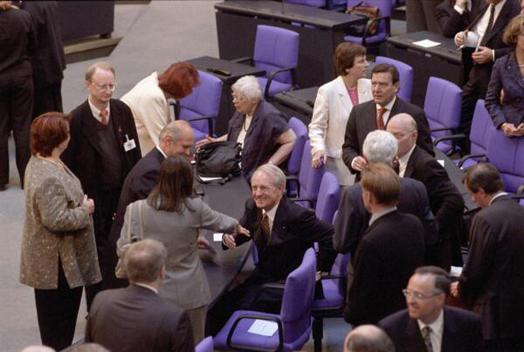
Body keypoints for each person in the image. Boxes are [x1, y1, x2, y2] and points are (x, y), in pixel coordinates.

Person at [117, 156, 248, 344]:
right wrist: (236, 226)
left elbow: (122, 248)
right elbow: (220, 221)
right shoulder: (195, 208)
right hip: (192, 294)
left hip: (153, 295)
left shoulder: (136, 210)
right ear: (188, 179)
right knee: (195, 344)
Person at [208, 163, 336, 333]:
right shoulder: (253, 206)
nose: (257, 193)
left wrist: (320, 270)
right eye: (254, 187)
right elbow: (241, 234)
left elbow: (331, 235)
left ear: (280, 189)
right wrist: (223, 238)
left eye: (263, 188)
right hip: (264, 277)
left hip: (286, 287)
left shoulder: (297, 216)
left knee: (227, 313)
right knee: (217, 308)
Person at [62, 61, 142, 309]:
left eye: (111, 85)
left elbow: (134, 151)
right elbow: (68, 168)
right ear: (88, 86)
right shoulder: (75, 120)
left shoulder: (122, 111)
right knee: (96, 259)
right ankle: (95, 309)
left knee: (125, 251)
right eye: (102, 86)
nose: (108, 91)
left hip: (122, 197)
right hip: (94, 202)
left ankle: (122, 303)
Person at [20, 113, 101, 351]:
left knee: (58, 328)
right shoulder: (48, 176)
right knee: (58, 332)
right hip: (57, 268)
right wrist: (85, 210)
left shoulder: (43, 161)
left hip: (58, 262)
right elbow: (56, 220)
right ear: (59, 139)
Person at [106, 120, 194, 289]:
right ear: (168, 142)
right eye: (185, 147)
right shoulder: (151, 172)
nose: (189, 153)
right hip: (134, 255)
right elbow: (157, 218)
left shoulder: (160, 164)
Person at [450, 163, 524, 351]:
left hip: (493, 317)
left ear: (481, 191)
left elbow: (475, 268)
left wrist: (461, 288)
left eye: (473, 195)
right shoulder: (520, 211)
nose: (473, 200)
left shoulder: (484, 219)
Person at [334, 130, 437, 260]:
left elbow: (341, 244)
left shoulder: (352, 194)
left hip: (366, 272)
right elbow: (430, 235)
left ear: (365, 158)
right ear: (395, 158)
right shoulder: (417, 188)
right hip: (409, 270)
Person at [344, 162, 425, 325]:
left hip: (378, 324)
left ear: (368, 197)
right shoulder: (414, 223)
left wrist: (349, 315)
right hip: (408, 316)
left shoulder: (371, 241)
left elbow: (362, 297)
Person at [387, 113, 465, 270]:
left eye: (398, 136)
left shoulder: (426, 165)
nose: (392, 141)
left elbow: (455, 200)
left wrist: (432, 230)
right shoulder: (395, 160)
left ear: (413, 136)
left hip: (429, 251)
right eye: (389, 135)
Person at [86, 239, 194, 352]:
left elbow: (88, 348)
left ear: (127, 270)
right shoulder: (174, 316)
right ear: (162, 272)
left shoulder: (101, 301)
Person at [197, 75, 296, 180]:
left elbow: (291, 141)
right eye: (234, 96)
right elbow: (239, 133)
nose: (234, 101)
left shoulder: (269, 116)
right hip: (233, 160)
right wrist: (216, 141)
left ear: (252, 100)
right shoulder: (243, 110)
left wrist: (269, 165)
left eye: (238, 98)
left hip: (248, 172)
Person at [342, 63, 433, 175]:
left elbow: (427, 154)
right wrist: (354, 160)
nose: (376, 89)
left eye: (383, 85)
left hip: (400, 184)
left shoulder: (414, 114)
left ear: (396, 86)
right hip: (366, 183)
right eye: (374, 83)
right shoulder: (358, 112)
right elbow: (348, 148)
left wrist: (402, 163)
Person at [453, 0, 520, 143]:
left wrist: (493, 54)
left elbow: (519, 48)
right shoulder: (483, 5)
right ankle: (464, 153)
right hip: (473, 70)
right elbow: (476, 31)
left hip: (498, 76)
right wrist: (462, 37)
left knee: (485, 122)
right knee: (464, 114)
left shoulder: (515, 9)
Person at [308, 42, 372, 185]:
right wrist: (318, 148)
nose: (367, 64)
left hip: (368, 162)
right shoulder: (327, 91)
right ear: (348, 67)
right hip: (340, 166)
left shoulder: (370, 86)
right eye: (361, 61)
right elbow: (316, 127)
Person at [379, 266, 484, 352]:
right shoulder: (391, 329)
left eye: (419, 295)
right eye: (408, 293)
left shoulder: (468, 324)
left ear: (440, 299)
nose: (411, 301)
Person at [121, 62, 199, 155]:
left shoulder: (154, 81)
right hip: (133, 148)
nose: (190, 92)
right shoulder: (152, 97)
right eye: (189, 89)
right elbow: (163, 142)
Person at [0, 0, 35, 191]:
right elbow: (33, 46)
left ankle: (0, 179)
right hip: (22, 76)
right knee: (23, 127)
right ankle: (26, 177)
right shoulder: (23, 17)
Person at [21, 1, 66, 117]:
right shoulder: (49, 2)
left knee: (44, 117)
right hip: (54, 62)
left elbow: (30, 41)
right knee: (55, 110)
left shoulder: (28, 8)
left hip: (41, 70)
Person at [485, 14, 524, 137]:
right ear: (515, 37)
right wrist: (503, 124)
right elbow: (491, 101)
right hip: (509, 131)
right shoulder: (501, 65)